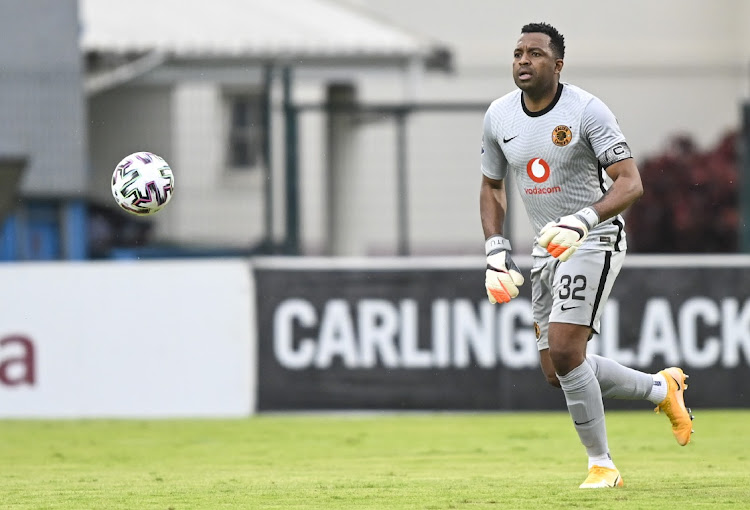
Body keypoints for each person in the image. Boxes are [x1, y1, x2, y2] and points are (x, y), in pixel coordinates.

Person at [479, 22, 694, 489]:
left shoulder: (586, 111)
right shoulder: (498, 116)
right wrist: (496, 249)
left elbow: (630, 182)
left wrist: (582, 220)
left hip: (593, 238)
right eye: (518, 52)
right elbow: (492, 186)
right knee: (558, 369)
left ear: (557, 66)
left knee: (564, 349)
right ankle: (663, 388)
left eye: (535, 54)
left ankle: (602, 465)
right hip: (545, 247)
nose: (522, 60)